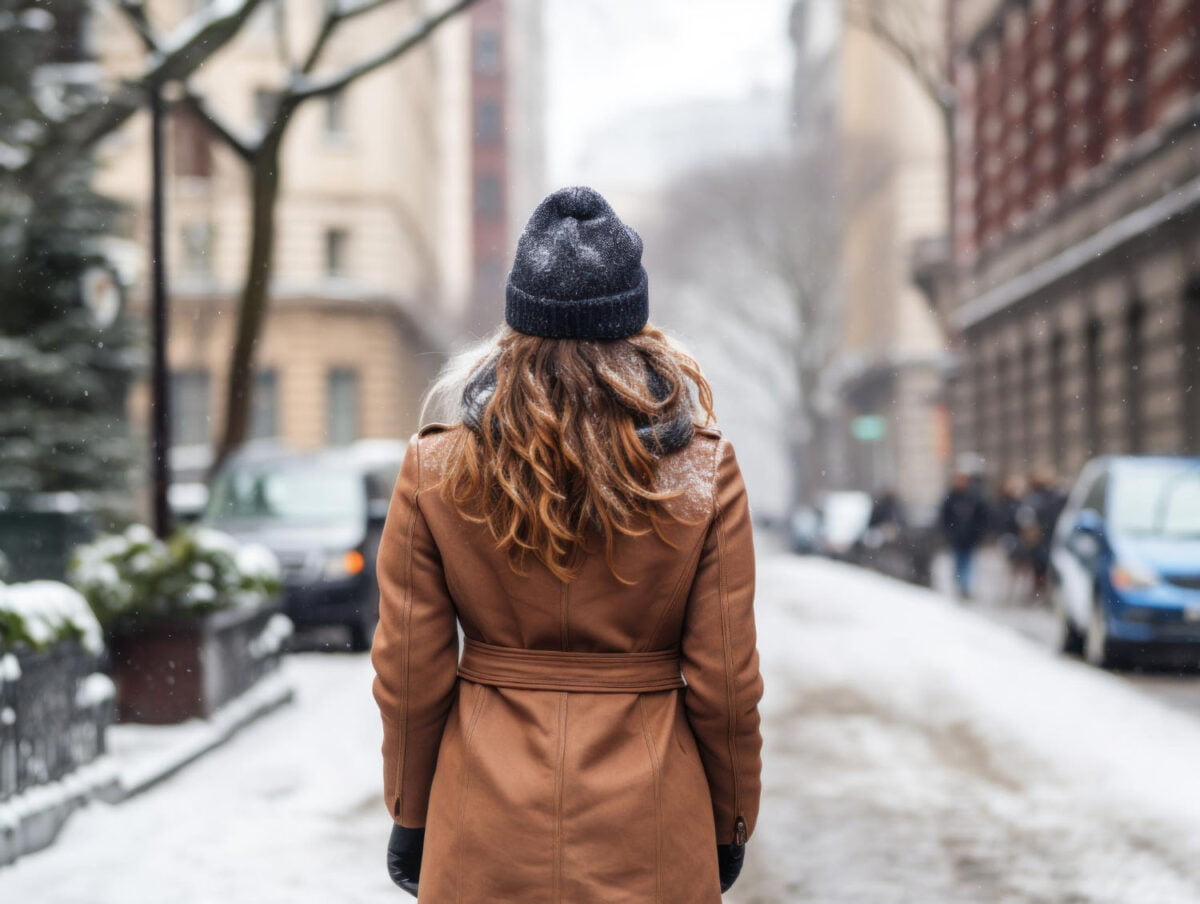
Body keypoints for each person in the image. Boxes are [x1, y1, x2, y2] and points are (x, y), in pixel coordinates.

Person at [370, 187, 764, 902]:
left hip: (483, 816)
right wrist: (730, 818)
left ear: (516, 323)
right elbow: (727, 683)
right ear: (635, 324)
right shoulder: (702, 471)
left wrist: (411, 811)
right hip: (649, 817)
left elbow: (408, 675)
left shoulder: (436, 467)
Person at [939, 471, 990, 598]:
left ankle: (965, 587)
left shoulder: (974, 497)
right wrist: (948, 532)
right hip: (956, 537)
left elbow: (982, 517)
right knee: (958, 562)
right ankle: (959, 585)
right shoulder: (951, 497)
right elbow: (945, 517)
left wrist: (978, 533)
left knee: (968, 562)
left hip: (969, 537)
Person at [1019, 467, 1067, 598]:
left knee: (1044, 566)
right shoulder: (1038, 497)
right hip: (1043, 538)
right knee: (1040, 566)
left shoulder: (1053, 496)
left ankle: (1042, 592)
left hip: (1048, 537)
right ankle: (1041, 591)